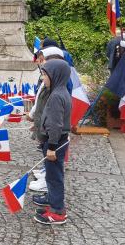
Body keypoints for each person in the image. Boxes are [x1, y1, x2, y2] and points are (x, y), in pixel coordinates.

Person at [32, 58, 71, 225]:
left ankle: (57, 212)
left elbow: (56, 125)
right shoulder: (60, 91)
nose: (42, 79)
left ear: (55, 76)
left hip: (54, 142)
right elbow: (51, 120)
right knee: (53, 175)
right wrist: (39, 126)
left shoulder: (55, 96)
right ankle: (54, 202)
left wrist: (51, 148)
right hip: (57, 140)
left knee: (54, 177)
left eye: (45, 75)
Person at [28, 46, 65, 193]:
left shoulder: (56, 86)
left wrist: (39, 121)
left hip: (52, 130)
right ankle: (45, 175)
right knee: (46, 155)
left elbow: (48, 107)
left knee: (52, 160)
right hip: (45, 125)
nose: (40, 63)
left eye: (43, 60)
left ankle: (48, 185)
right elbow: (39, 100)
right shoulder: (49, 78)